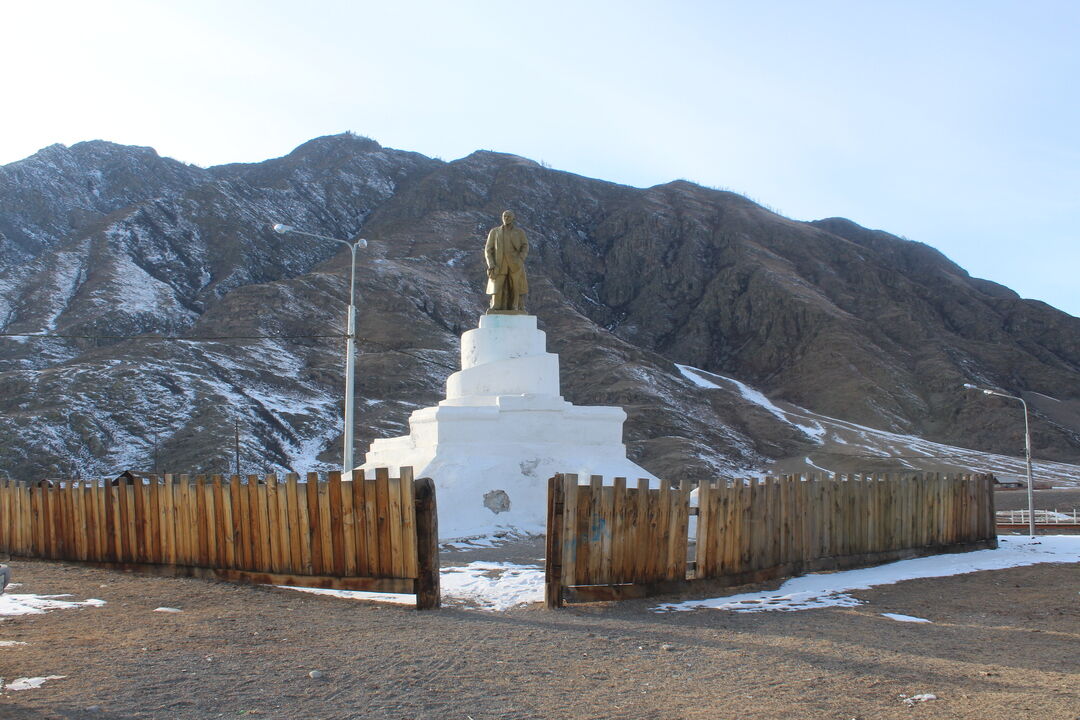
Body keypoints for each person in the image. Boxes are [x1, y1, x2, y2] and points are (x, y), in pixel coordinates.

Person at [484, 210, 529, 312]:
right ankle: (496, 305)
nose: (506, 218)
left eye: (509, 216)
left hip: (515, 263)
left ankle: (515, 306)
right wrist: (491, 264)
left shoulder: (519, 232)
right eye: (504, 216)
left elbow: (525, 246)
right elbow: (488, 249)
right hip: (499, 263)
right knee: (497, 285)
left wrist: (521, 258)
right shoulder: (494, 232)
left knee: (515, 286)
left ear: (513, 218)